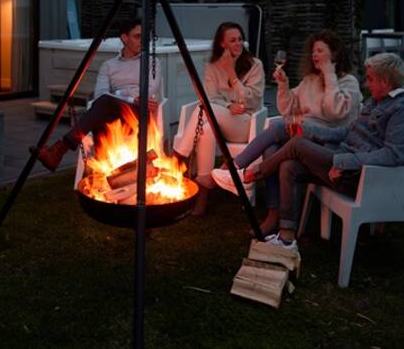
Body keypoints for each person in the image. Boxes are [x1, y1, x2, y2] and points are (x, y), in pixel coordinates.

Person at [212, 52, 404, 250]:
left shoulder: (399, 109)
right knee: (288, 163)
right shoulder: (374, 102)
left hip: (359, 177)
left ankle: (246, 176)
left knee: (297, 145)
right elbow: (346, 132)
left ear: (385, 81)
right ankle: (287, 238)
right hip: (338, 161)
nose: (367, 84)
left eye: (371, 79)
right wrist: (308, 131)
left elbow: (393, 154)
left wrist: (344, 161)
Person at [212, 30, 363, 234]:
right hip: (302, 133)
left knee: (277, 127)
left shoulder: (348, 82)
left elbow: (335, 112)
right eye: (313, 51)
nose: (314, 55)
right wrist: (283, 85)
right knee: (272, 148)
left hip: (327, 142)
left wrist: (330, 75)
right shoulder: (310, 80)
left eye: (320, 51)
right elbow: (288, 108)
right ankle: (275, 215)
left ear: (334, 54)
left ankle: (234, 168)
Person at [33, 18, 162, 172]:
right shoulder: (108, 66)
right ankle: (105, 169)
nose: (143, 41)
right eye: (137, 36)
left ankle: (61, 149)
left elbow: (147, 93)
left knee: (105, 103)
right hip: (114, 113)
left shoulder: (152, 62)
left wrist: (118, 94)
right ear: (124, 38)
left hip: (138, 114)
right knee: (103, 107)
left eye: (144, 37)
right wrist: (130, 97)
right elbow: (100, 94)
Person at [172, 21, 265, 215]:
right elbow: (211, 97)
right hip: (221, 119)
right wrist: (228, 106)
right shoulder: (213, 67)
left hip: (245, 124)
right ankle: (203, 193)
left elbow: (252, 100)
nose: (239, 43)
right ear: (222, 44)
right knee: (205, 129)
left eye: (240, 39)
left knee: (205, 109)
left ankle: (178, 158)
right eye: (232, 40)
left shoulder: (255, 65)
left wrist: (232, 76)